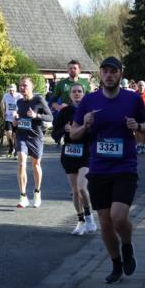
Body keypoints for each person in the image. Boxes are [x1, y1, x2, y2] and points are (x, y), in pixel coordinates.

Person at [69, 57, 145, 284]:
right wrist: (84, 125)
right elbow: (73, 134)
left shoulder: (133, 99)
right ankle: (116, 264)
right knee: (105, 221)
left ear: (120, 74)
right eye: (105, 71)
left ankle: (127, 244)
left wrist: (138, 127)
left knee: (118, 217)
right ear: (100, 75)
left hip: (125, 167)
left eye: (113, 71)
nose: (109, 75)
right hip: (99, 170)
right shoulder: (89, 101)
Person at [55, 83, 96, 235]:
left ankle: (89, 216)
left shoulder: (90, 112)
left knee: (81, 188)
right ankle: (81, 221)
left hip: (85, 152)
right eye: (74, 92)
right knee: (74, 191)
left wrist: (86, 127)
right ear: (70, 95)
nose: (77, 94)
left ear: (84, 94)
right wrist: (64, 130)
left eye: (79, 91)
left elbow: (96, 131)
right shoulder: (65, 111)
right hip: (69, 153)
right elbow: (55, 131)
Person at [13, 76, 52, 208]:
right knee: (21, 163)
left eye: (25, 85)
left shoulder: (38, 100)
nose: (22, 88)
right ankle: (23, 196)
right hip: (22, 136)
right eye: (21, 86)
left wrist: (37, 116)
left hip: (35, 137)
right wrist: (16, 121)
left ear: (32, 87)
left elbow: (50, 116)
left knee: (35, 165)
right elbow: (19, 119)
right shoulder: (19, 102)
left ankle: (37, 192)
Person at [1, 82, 19, 157]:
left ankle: (16, 150)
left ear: (15, 90)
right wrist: (3, 112)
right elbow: (2, 103)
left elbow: (23, 105)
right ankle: (11, 147)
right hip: (8, 117)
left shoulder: (19, 96)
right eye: (10, 90)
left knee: (15, 135)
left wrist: (18, 114)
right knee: (8, 134)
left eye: (13, 90)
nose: (11, 92)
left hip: (16, 118)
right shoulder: (6, 95)